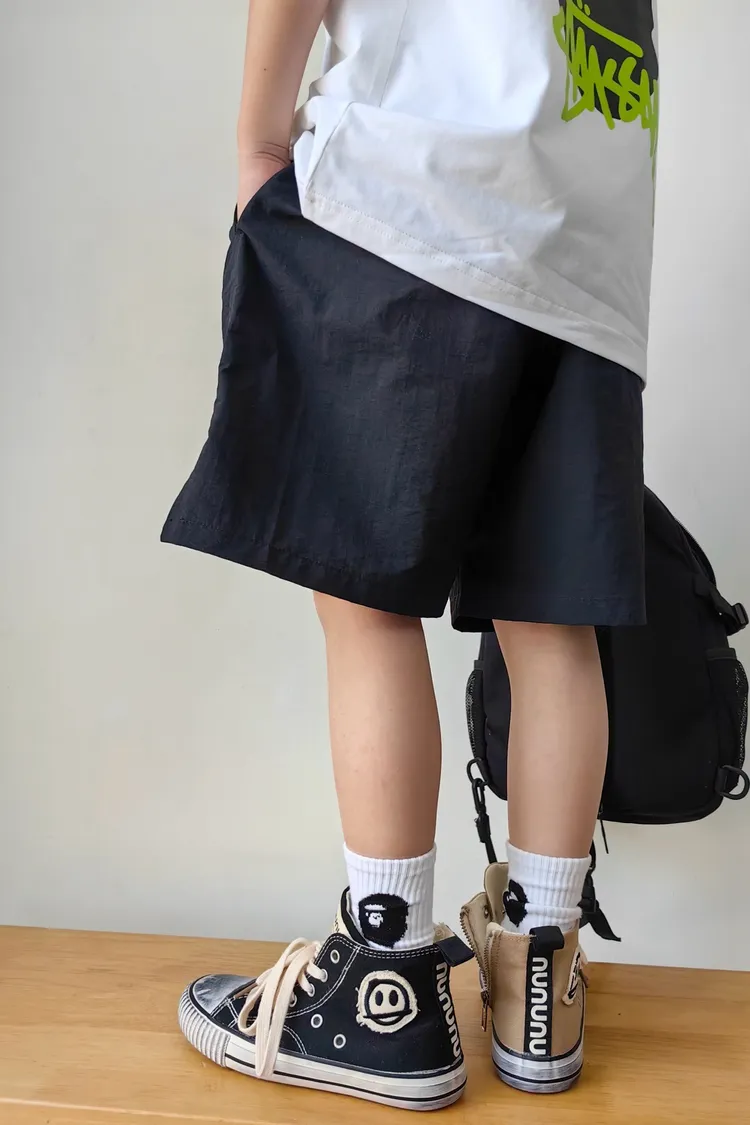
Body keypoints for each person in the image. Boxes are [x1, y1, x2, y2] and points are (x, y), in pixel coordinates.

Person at [163, 0, 659, 1108]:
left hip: (409, 196)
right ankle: (541, 977)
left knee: (364, 601)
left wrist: (257, 143)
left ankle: (384, 986)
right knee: (551, 618)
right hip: (587, 247)